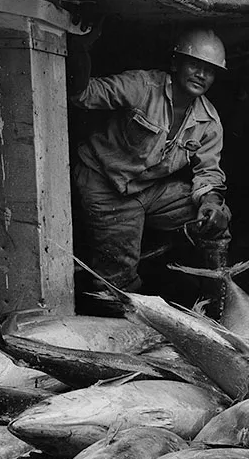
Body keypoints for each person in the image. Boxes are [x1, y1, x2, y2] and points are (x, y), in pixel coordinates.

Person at [70, 27, 231, 304]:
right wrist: (79, 48)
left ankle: (217, 300)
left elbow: (208, 173)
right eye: (195, 65)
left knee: (217, 219)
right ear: (175, 64)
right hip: (105, 184)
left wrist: (211, 203)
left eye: (210, 70)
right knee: (117, 283)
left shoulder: (209, 121)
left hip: (148, 188)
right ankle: (119, 318)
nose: (201, 75)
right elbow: (83, 94)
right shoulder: (142, 86)